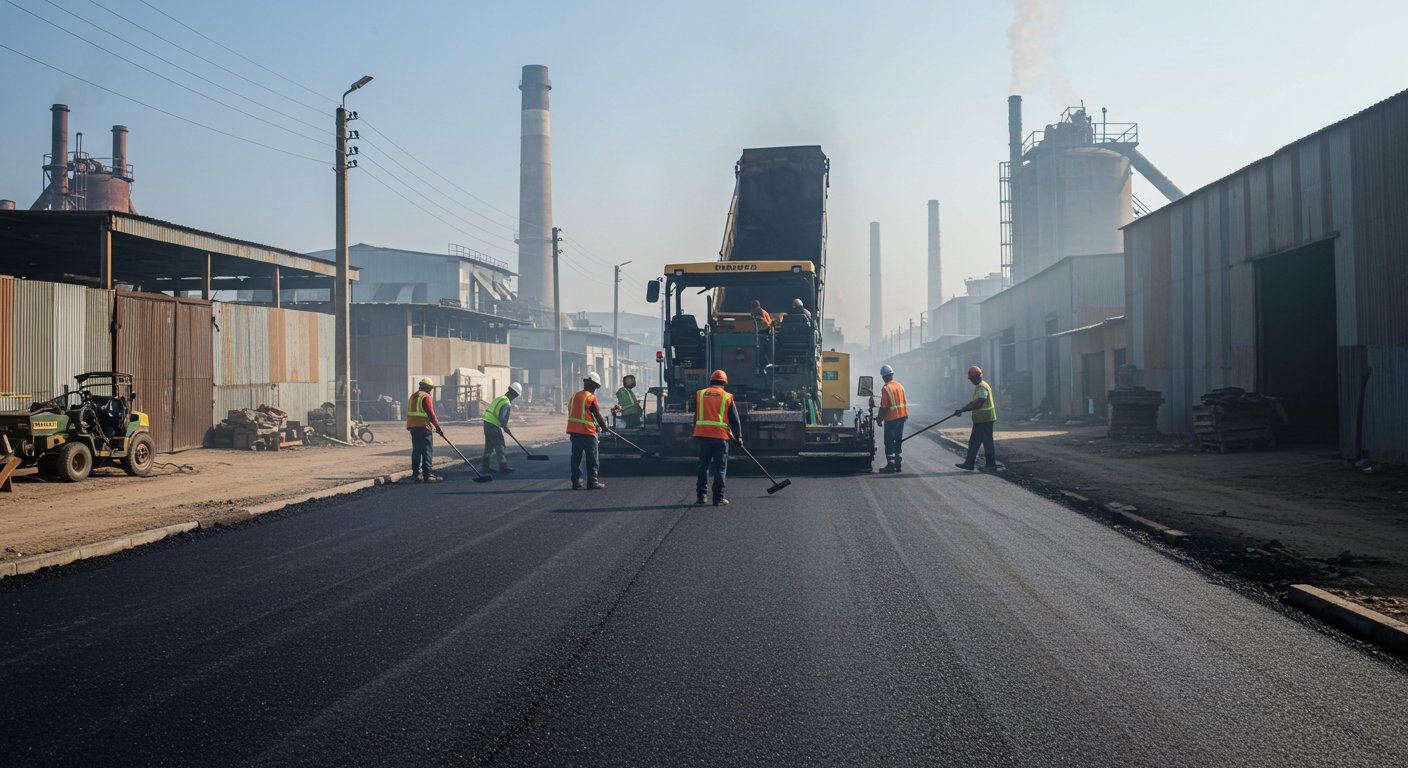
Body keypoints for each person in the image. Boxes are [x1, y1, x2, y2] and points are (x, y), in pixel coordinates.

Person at [692, 370, 743, 506]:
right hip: (720, 437)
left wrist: (695, 431)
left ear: (711, 381)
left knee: (703, 466)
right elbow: (735, 420)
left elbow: (696, 416)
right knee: (720, 468)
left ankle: (701, 496)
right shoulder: (727, 396)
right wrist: (738, 437)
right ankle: (718, 498)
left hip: (703, 436)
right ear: (725, 383)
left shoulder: (701, 394)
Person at [566, 371, 610, 490]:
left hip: (574, 432)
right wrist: (604, 426)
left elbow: (579, 413)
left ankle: (577, 482)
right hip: (587, 433)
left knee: (576, 458)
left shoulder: (575, 396)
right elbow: (596, 413)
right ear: (594, 385)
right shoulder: (590, 397)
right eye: (596, 387)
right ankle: (593, 482)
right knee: (592, 458)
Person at [954, 365, 999, 471]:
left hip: (985, 419)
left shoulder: (982, 387)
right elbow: (975, 402)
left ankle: (991, 465)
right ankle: (969, 464)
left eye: (971, 379)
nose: (971, 381)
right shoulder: (980, 386)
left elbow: (979, 402)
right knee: (974, 442)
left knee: (987, 443)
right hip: (980, 420)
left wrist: (964, 409)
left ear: (976, 377)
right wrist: (962, 409)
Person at [870, 364, 908, 472]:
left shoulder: (886, 388)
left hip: (891, 419)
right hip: (902, 417)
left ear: (883, 377)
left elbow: (884, 406)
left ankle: (891, 465)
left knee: (889, 442)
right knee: (898, 441)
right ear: (892, 374)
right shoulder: (900, 386)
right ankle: (897, 463)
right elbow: (904, 401)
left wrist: (879, 419)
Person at [406, 377, 444, 482]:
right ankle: (427, 475)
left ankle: (415, 474)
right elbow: (431, 414)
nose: (430, 391)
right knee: (427, 451)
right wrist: (438, 427)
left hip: (413, 427)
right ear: (427, 387)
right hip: (423, 427)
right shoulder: (425, 397)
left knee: (416, 451)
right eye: (430, 388)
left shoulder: (413, 396)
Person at [481, 382, 521, 473]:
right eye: (516, 396)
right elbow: (502, 417)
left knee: (489, 446)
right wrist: (505, 427)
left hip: (487, 423)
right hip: (493, 426)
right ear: (514, 393)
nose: (515, 398)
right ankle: (503, 467)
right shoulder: (506, 402)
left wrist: (503, 426)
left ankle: (485, 467)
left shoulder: (499, 398)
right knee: (500, 446)